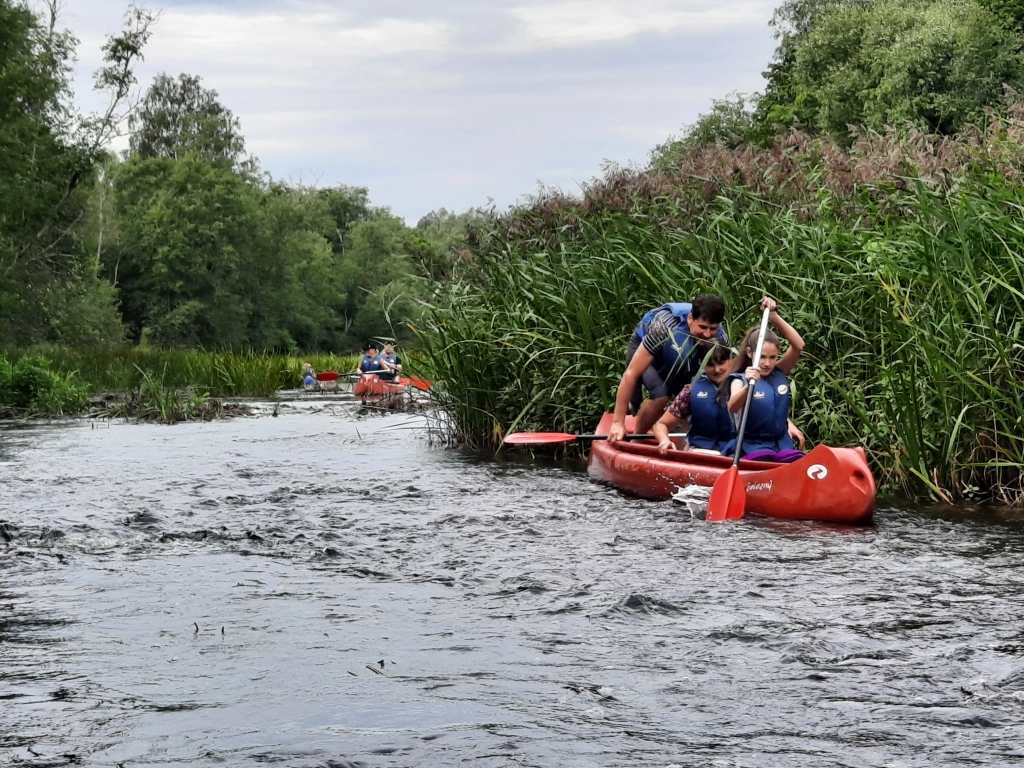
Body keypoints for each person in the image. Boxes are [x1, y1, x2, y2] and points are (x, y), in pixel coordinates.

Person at [609, 294, 727, 442]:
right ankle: (637, 439)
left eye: (712, 328)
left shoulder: (721, 338)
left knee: (696, 396)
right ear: (691, 319)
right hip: (649, 352)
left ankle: (686, 447)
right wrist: (617, 423)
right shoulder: (666, 327)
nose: (707, 334)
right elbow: (631, 373)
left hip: (683, 357)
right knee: (661, 394)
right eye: (702, 327)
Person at [722, 297, 805, 460]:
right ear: (750, 353)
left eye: (772, 357)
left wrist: (774, 317)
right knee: (764, 458)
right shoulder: (740, 379)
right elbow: (732, 407)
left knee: (799, 460)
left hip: (782, 444)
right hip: (751, 446)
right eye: (762, 357)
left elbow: (798, 345)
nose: (767, 363)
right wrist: (749, 387)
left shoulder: (780, 371)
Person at [652, 341, 735, 454]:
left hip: (734, 454)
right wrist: (664, 440)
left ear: (731, 359)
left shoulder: (743, 387)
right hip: (701, 452)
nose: (717, 369)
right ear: (701, 363)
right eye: (710, 365)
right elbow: (661, 424)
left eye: (721, 363)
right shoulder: (689, 392)